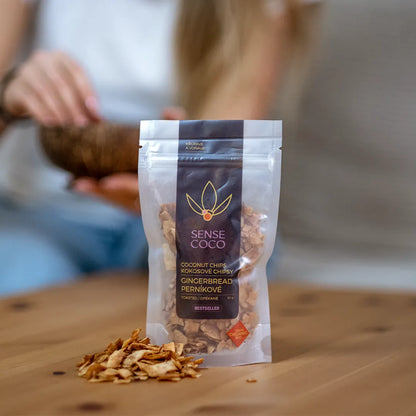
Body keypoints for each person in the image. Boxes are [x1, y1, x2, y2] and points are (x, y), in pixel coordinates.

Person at [0, 0, 309, 295]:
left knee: (223, 267)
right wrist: (7, 98)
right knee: (23, 275)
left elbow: (222, 160)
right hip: (40, 211)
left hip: (175, 216)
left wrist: (187, 183)